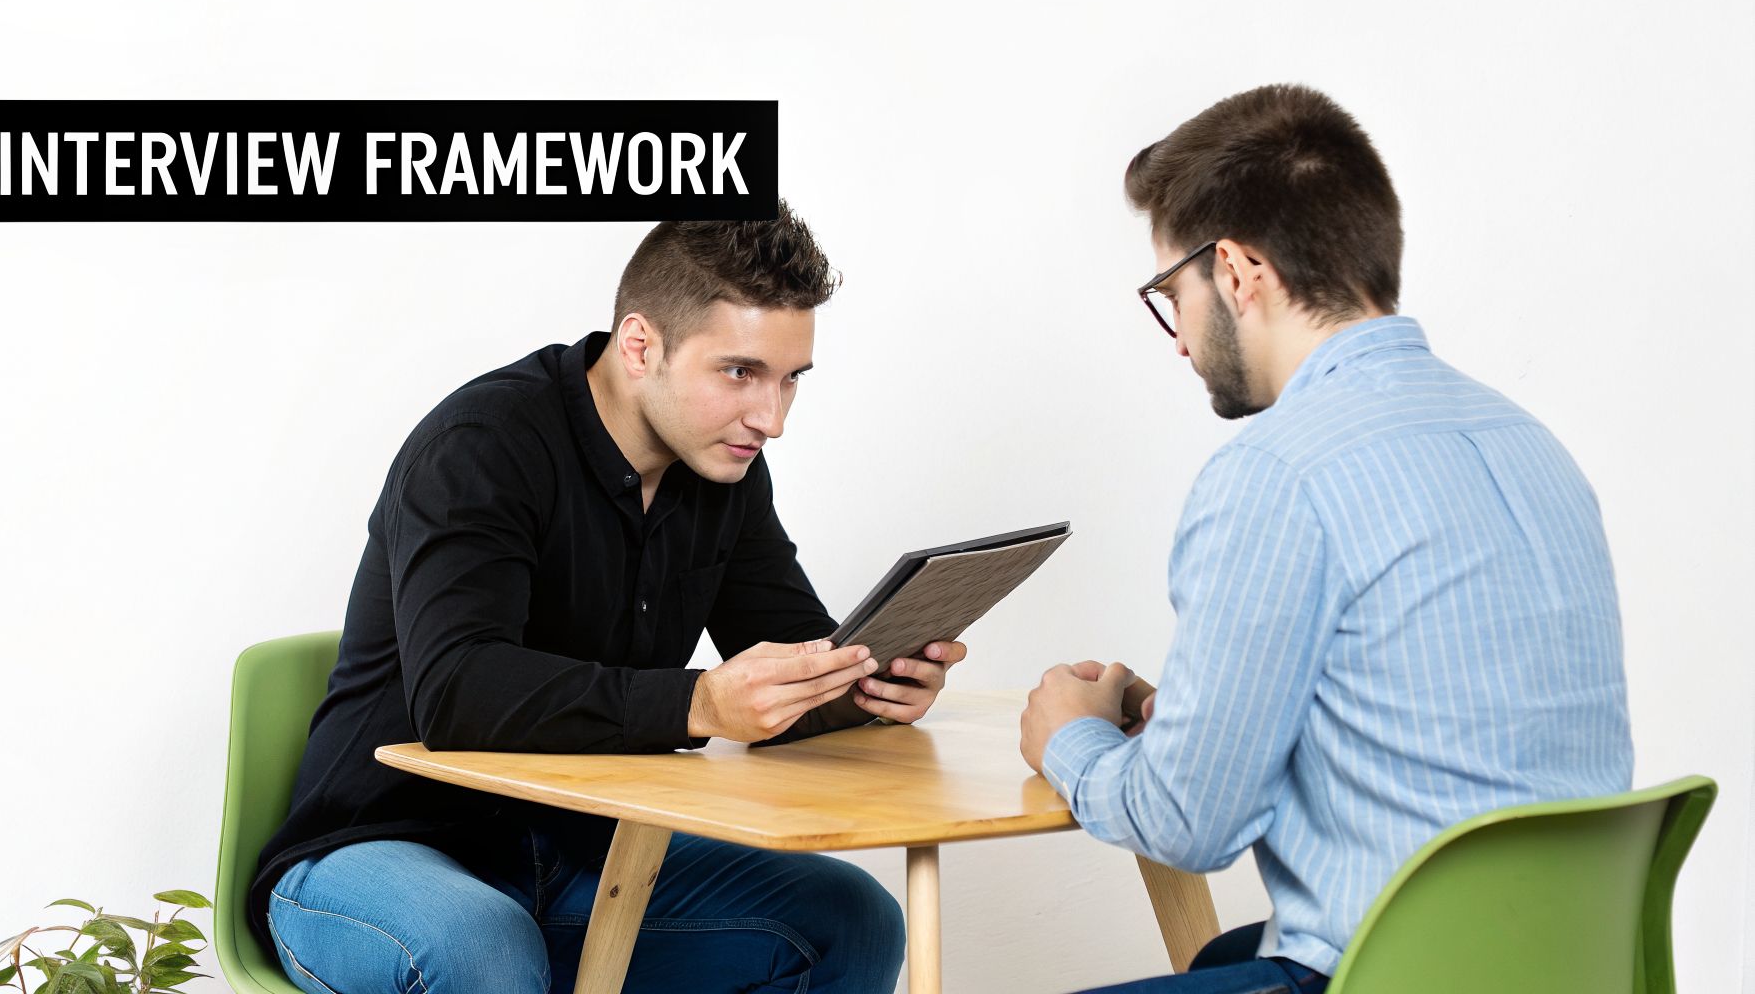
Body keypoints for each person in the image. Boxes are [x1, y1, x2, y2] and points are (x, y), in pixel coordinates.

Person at [253, 201, 968, 994]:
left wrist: (864, 684)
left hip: (577, 857)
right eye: (740, 372)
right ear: (640, 346)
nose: (771, 419)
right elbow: (455, 693)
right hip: (380, 848)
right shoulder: (483, 445)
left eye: (789, 379)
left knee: (849, 918)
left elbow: (788, 653)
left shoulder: (723, 467)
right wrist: (699, 704)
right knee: (484, 948)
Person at [1018, 84, 1632, 994]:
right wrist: (1191, 717)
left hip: (1396, 975)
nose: (1179, 341)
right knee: (1222, 961)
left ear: (1235, 271)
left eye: (1169, 294)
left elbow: (1191, 824)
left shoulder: (1277, 474)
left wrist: (1068, 741)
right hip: (1570, 965)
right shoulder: (1529, 443)